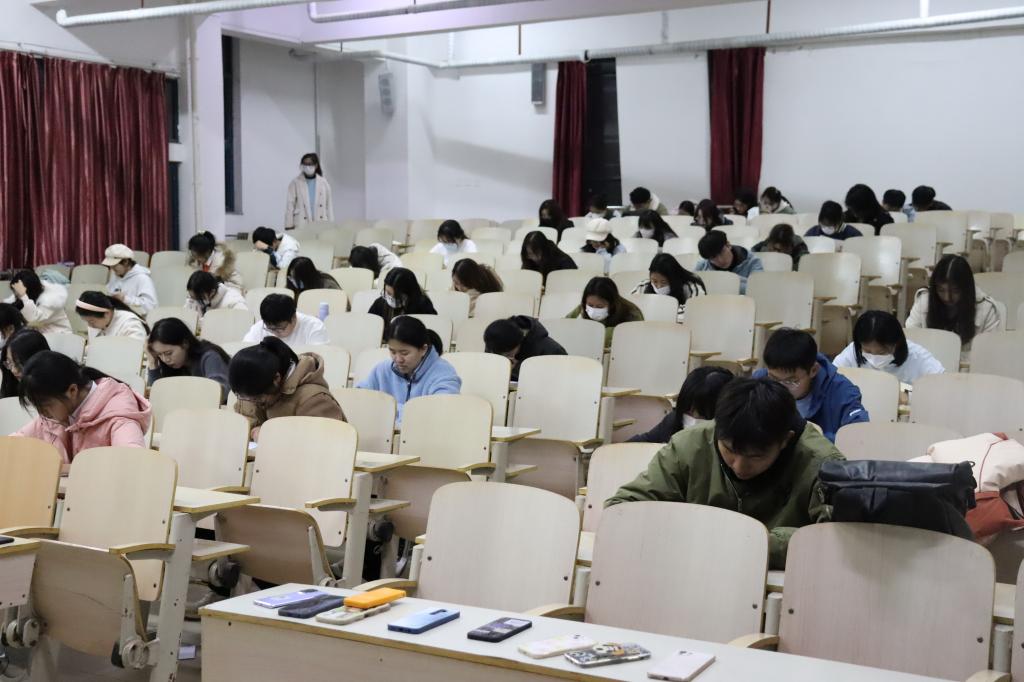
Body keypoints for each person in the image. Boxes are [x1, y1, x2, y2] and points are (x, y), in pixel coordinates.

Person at [607, 377, 845, 569]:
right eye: (729, 450)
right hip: (690, 573)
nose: (739, 467)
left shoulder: (823, 465)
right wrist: (688, 532)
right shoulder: (690, 445)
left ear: (785, 440)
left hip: (779, 591)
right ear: (717, 429)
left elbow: (837, 540)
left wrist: (740, 540)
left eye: (755, 457)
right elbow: (620, 510)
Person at [14, 351, 151, 470]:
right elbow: (14, 443)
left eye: (45, 406)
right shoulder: (56, 412)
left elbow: (134, 463)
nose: (42, 413)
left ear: (72, 391)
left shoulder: (118, 416)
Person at [752, 328, 869, 442]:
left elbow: (858, 435)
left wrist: (810, 438)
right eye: (774, 379)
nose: (781, 387)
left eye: (791, 381)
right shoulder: (760, 381)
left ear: (813, 370)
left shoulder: (842, 391)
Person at [230, 336, 345, 441]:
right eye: (242, 397)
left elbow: (327, 443)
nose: (250, 401)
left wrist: (271, 435)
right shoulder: (248, 388)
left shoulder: (314, 400)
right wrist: (252, 432)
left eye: (257, 398)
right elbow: (242, 425)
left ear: (276, 379)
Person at [357, 316, 461, 424]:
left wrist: (385, 409)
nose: (398, 359)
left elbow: (440, 412)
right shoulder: (382, 369)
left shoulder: (444, 374)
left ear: (423, 349)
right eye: (393, 352)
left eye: (404, 353)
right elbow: (359, 398)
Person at [905, 254, 1001, 355]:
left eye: (955, 291)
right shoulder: (924, 301)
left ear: (966, 289)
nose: (947, 297)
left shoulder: (987, 309)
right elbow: (911, 340)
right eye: (941, 290)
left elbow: (989, 353)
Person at [833, 310, 944, 385]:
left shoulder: (917, 356)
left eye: (882, 352)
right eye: (867, 351)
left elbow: (942, 384)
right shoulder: (853, 352)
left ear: (897, 343)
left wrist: (909, 395)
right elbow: (831, 379)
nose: (874, 359)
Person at [627, 366, 735, 443]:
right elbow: (643, 442)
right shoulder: (674, 421)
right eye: (688, 412)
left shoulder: (735, 447)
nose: (693, 419)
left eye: (702, 415)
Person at [147, 318, 232, 402]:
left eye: (169, 353)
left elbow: (218, 395)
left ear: (185, 344)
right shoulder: (174, 365)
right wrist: (153, 362)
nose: (165, 359)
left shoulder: (210, 357)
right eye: (159, 354)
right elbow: (157, 398)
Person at [483, 316, 566, 381]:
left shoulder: (552, 351)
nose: (505, 358)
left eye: (508, 354)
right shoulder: (495, 341)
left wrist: (516, 369)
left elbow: (558, 381)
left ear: (520, 342)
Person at [567, 277, 644, 347]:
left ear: (612, 304)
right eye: (590, 305)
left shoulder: (632, 314)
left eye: (600, 306)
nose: (593, 310)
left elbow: (635, 342)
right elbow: (565, 326)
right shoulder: (582, 308)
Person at [631, 254, 705, 321]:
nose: (659, 287)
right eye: (655, 281)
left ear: (674, 279)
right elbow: (630, 308)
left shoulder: (692, 286)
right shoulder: (643, 286)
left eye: (664, 282)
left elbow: (696, 311)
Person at [243, 294, 328, 347]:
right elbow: (245, 351)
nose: (275, 333)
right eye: (270, 329)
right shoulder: (260, 327)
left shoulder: (314, 327)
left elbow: (320, 361)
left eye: (280, 328)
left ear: (293, 317)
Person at [695, 230, 764, 294]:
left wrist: (726, 280)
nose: (720, 260)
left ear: (728, 245)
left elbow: (758, 289)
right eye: (713, 258)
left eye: (721, 253)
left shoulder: (753, 262)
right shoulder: (702, 267)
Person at [4, 269, 72, 334]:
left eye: (18, 292)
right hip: (41, 334)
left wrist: (23, 296)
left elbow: (33, 319)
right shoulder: (29, 297)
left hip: (60, 335)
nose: (15, 295)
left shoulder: (51, 300)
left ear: (28, 291)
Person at [367, 267, 437, 327]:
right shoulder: (380, 303)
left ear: (409, 294)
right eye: (388, 293)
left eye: (396, 296)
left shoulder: (423, 306)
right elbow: (369, 325)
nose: (390, 298)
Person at [102, 244, 158, 314]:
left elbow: (150, 306)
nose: (112, 268)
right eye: (110, 266)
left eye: (114, 265)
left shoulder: (143, 278)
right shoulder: (116, 275)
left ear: (126, 262)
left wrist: (125, 299)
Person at [285, 152, 333, 229]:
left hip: (321, 223)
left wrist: (331, 225)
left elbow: (329, 206)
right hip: (301, 223)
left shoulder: (324, 183)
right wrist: (289, 225)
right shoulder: (295, 183)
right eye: (305, 164)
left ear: (316, 165)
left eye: (310, 164)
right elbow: (290, 205)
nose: (307, 167)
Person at [75, 291, 148, 340]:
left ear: (107, 313)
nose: (90, 325)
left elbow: (136, 350)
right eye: (86, 321)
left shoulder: (130, 323)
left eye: (91, 321)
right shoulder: (96, 324)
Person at [1, 329, 48, 400]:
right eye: (9, 362)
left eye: (19, 364)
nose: (14, 370)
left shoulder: (53, 391)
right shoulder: (11, 384)